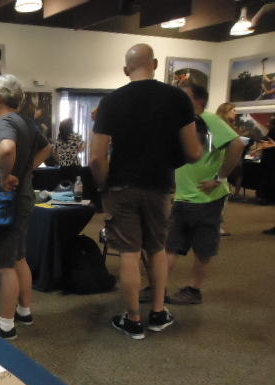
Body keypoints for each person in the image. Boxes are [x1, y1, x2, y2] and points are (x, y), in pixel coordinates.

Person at [90, 43, 203, 340]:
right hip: (160, 186)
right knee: (156, 250)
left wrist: (103, 186)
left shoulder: (112, 101)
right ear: (154, 64)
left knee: (128, 253)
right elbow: (193, 152)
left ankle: (133, 320)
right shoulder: (178, 98)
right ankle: (158, 312)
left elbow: (96, 158)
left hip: (122, 186)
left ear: (125, 70)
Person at [0, 74, 51, 340]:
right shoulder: (24, 121)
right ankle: (24, 311)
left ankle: (6, 325)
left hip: (3, 202)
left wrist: (6, 176)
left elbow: (6, 149)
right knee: (18, 258)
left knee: (5, 264)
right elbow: (47, 148)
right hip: (20, 199)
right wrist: (26, 170)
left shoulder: (6, 121)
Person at [165, 84, 244, 305]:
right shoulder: (183, 123)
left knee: (202, 247)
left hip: (207, 198)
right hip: (184, 196)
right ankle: (158, 286)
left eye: (184, 96)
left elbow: (237, 145)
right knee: (172, 245)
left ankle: (193, 290)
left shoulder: (210, 120)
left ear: (198, 100)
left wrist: (220, 177)